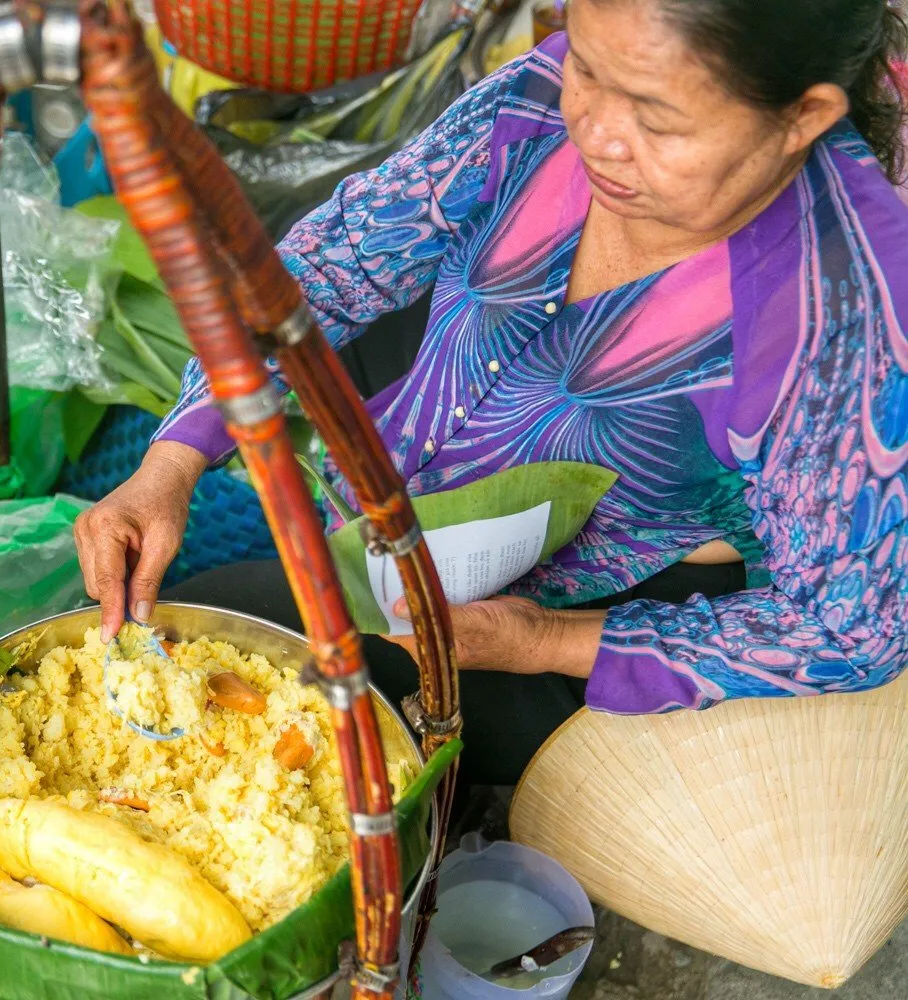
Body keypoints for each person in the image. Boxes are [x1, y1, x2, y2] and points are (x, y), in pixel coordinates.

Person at [73, 0, 908, 785]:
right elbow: (322, 271)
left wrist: (542, 639)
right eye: (588, 67)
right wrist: (173, 462)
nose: (597, 133)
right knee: (164, 650)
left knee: (317, 752)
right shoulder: (535, 105)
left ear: (802, 117)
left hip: (575, 623)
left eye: (656, 119)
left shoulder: (839, 321)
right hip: (403, 523)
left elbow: (853, 628)